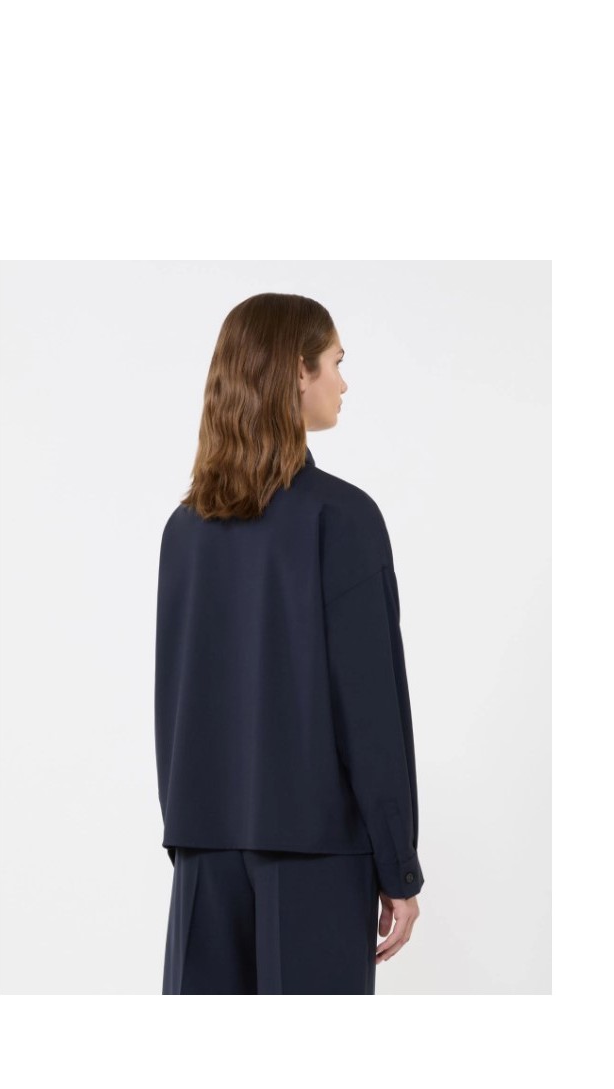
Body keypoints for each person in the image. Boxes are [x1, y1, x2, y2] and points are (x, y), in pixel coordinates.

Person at [154, 292, 424, 994]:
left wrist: (189, 828)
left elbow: (173, 703)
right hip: (315, 853)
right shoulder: (344, 518)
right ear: (297, 372)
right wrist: (398, 866)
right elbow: (370, 707)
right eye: (335, 362)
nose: (343, 382)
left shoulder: (185, 530)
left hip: (203, 849)